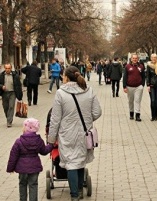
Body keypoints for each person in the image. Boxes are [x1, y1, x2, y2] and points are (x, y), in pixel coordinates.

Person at [48, 66, 102, 201]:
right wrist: (87, 120)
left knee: (71, 162)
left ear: (66, 77)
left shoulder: (61, 93)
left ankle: (74, 195)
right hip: (85, 132)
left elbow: (55, 118)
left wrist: (51, 138)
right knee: (80, 160)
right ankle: (79, 190)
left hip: (67, 134)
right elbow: (97, 112)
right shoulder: (88, 90)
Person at [7, 118, 53, 201]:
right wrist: (51, 145)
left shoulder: (19, 141)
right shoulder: (38, 140)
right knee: (33, 185)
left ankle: (23, 199)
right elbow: (44, 151)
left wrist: (10, 168)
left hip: (22, 168)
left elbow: (13, 156)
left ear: (26, 128)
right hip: (34, 167)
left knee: (22, 184)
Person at [0, 63, 23, 127]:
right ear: (5, 68)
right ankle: (8, 117)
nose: (7, 70)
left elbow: (19, 85)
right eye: (6, 68)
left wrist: (20, 95)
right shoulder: (1, 75)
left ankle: (9, 121)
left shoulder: (15, 75)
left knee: (11, 106)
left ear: (11, 68)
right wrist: (1, 86)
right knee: (6, 107)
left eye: (9, 68)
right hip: (4, 93)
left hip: (12, 93)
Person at [123, 53, 145, 121]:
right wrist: (124, 86)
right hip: (129, 87)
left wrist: (142, 85)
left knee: (137, 100)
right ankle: (131, 113)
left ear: (137, 59)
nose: (135, 59)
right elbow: (125, 77)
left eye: (136, 58)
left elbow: (143, 76)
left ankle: (137, 115)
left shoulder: (141, 66)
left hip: (138, 86)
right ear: (131, 59)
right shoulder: (127, 66)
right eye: (133, 58)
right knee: (130, 101)